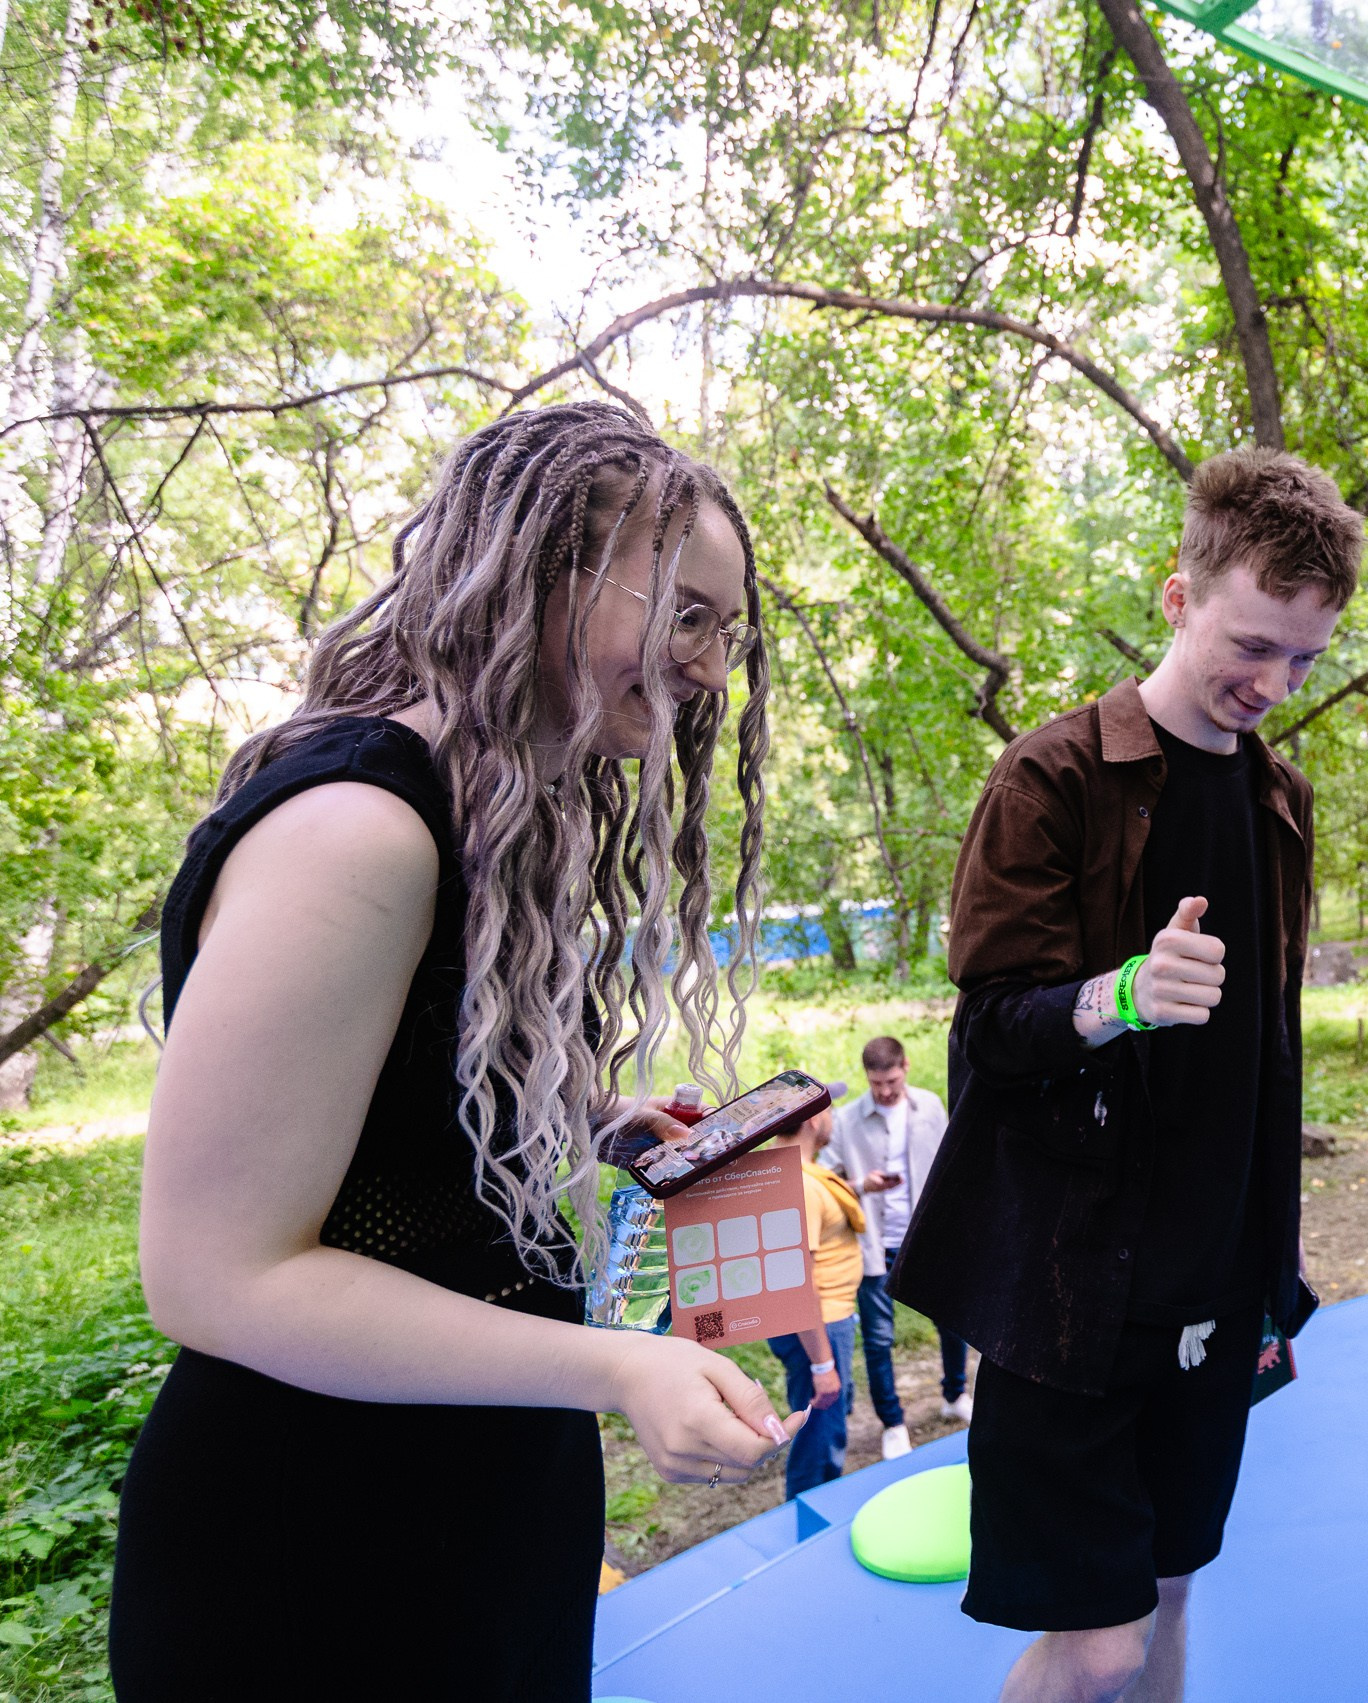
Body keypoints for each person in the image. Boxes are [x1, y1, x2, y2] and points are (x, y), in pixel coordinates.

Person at [111, 402, 803, 1697]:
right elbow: (211, 1274)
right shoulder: (358, 825)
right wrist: (618, 1362)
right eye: (686, 612)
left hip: (483, 1493)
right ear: (545, 567)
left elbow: (391, 1095)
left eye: (728, 627)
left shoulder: (498, 811)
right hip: (320, 1554)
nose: (712, 663)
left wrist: (592, 1110)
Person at [890, 447, 1359, 1703]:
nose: (1274, 682)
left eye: (1305, 658)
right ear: (1177, 597)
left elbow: (1266, 1056)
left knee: (1165, 1588)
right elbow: (992, 1025)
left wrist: (1269, 1270)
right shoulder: (1051, 775)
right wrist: (1121, 998)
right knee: (1094, 1642)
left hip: (1217, 1278)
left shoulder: (1281, 799)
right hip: (1073, 1289)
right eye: (1252, 643)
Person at [823, 1037, 963, 1460]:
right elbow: (824, 1183)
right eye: (876, 1083)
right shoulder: (847, 1121)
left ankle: (955, 1394)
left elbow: (951, 1163)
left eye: (891, 1080)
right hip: (874, 1246)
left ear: (906, 1066)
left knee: (953, 1322)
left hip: (927, 1238)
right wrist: (864, 1185)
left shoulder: (930, 1107)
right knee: (880, 1339)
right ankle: (893, 1423)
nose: (885, 1091)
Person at [768, 1097, 864, 1495]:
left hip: (820, 1322)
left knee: (826, 1426)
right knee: (818, 1439)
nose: (833, 1118)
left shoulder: (788, 1172)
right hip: (819, 1324)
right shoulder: (800, 1184)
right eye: (829, 1109)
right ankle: (809, 1530)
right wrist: (822, 1364)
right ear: (812, 1119)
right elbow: (795, 1279)